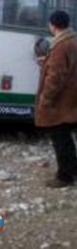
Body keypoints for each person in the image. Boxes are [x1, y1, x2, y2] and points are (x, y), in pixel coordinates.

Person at [36, 10, 77, 188]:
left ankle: (64, 176)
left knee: (60, 139)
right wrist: (47, 61)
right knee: (67, 138)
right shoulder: (73, 41)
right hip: (71, 99)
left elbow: (56, 77)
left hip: (60, 102)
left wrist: (45, 100)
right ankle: (72, 171)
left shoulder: (61, 46)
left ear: (52, 25)